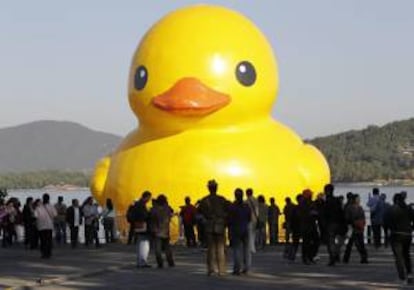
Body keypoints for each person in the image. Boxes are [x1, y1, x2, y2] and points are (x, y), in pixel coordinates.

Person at [198, 179, 230, 276]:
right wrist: (224, 221)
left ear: (208, 188)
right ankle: (222, 270)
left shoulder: (204, 200)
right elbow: (228, 212)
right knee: (220, 249)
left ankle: (211, 269)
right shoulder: (222, 200)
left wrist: (204, 222)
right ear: (217, 188)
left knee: (211, 249)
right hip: (220, 226)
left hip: (209, 226)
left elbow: (198, 214)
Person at [384, 193, 414, 285]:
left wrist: (387, 234)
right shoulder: (408, 208)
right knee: (406, 255)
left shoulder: (391, 209)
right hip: (407, 235)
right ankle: (409, 274)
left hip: (396, 235)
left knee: (398, 257)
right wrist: (411, 228)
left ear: (395, 200)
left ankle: (402, 277)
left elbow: (386, 223)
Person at [228, 188, 251, 275]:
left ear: (235, 195)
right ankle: (246, 268)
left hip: (235, 229)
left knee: (237, 250)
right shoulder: (246, 206)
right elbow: (249, 218)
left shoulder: (232, 206)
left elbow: (229, 219)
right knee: (246, 250)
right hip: (245, 229)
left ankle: (237, 269)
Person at [324, 184, 346, 266]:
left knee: (330, 242)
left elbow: (324, 214)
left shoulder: (327, 201)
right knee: (337, 241)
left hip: (330, 223)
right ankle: (336, 255)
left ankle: (332, 257)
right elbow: (341, 212)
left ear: (327, 191)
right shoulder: (337, 201)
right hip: (338, 223)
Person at [150, 194, 175, 268]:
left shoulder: (154, 209)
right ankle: (170, 262)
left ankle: (160, 263)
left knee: (158, 249)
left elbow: (151, 219)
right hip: (165, 231)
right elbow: (171, 212)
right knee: (167, 248)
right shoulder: (167, 208)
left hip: (157, 231)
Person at [342, 194, 368, 264]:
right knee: (351, 244)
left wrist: (362, 223)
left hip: (359, 228)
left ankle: (364, 258)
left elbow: (363, 217)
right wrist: (353, 223)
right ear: (354, 200)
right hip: (353, 228)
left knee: (360, 244)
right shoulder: (350, 208)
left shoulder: (360, 208)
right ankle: (346, 258)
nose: (359, 200)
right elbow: (347, 218)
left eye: (359, 199)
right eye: (357, 199)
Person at [131, 191, 152, 268]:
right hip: (142, 225)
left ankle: (140, 261)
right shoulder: (141, 204)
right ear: (146, 197)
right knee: (144, 243)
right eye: (149, 197)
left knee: (141, 243)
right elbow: (143, 215)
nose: (149, 199)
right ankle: (142, 261)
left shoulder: (138, 204)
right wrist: (149, 214)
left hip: (138, 225)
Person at [34, 193, 57, 258]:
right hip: (49, 225)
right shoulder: (51, 206)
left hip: (41, 226)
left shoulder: (38, 207)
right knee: (49, 240)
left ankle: (43, 253)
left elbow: (35, 216)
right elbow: (55, 215)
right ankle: (48, 253)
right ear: (49, 199)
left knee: (42, 240)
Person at [245, 188, 258, 254]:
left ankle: (251, 248)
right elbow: (256, 210)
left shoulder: (246, 201)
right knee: (253, 234)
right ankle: (253, 248)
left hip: (249, 219)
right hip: (255, 219)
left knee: (249, 234)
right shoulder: (255, 200)